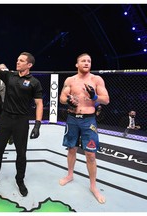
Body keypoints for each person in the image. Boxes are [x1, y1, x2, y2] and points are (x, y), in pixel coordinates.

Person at [0, 52, 43, 197]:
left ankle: (20, 180)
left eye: (21, 61)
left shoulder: (34, 82)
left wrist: (38, 124)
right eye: (17, 60)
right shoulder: (10, 75)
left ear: (29, 65)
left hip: (21, 121)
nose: (18, 62)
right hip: (5, 119)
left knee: (21, 154)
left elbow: (39, 103)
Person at [59, 53, 109, 204]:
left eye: (89, 61)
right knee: (71, 149)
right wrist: (68, 100)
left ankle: (93, 186)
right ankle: (70, 175)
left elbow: (106, 100)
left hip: (89, 121)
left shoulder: (96, 79)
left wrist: (94, 97)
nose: (87, 63)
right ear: (77, 64)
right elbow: (61, 97)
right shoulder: (70, 80)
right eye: (83, 61)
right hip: (72, 119)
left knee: (91, 155)